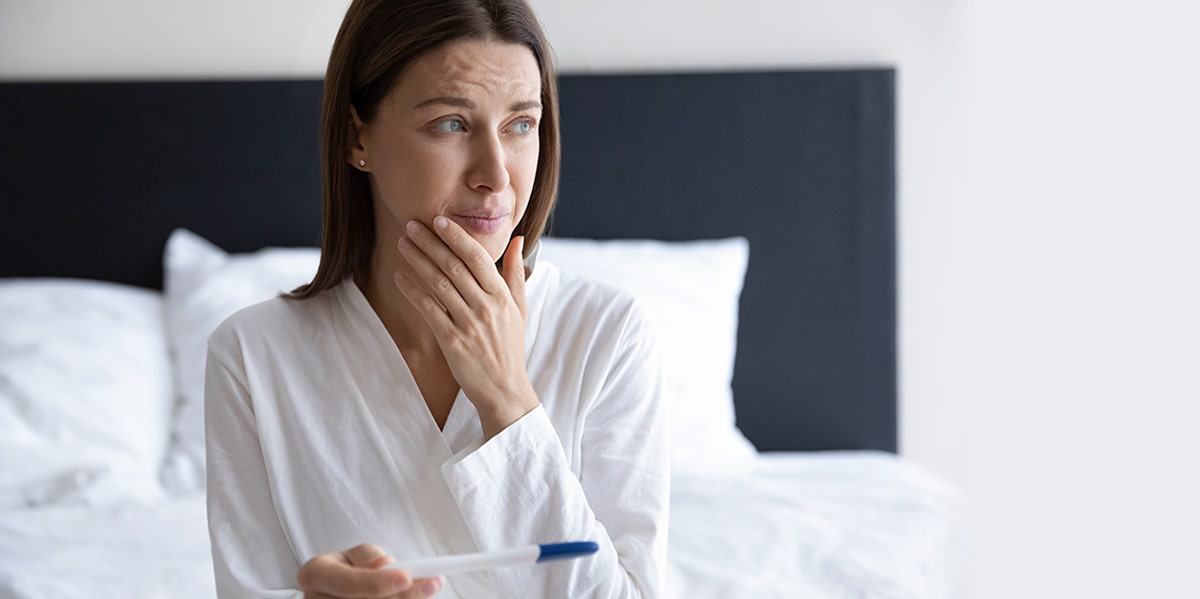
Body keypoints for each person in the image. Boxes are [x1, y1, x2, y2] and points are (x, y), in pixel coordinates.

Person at [203, 1, 669, 597]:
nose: (496, 175)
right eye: (451, 123)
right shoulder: (252, 356)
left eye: (521, 124)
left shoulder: (608, 334)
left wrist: (507, 398)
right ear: (356, 136)